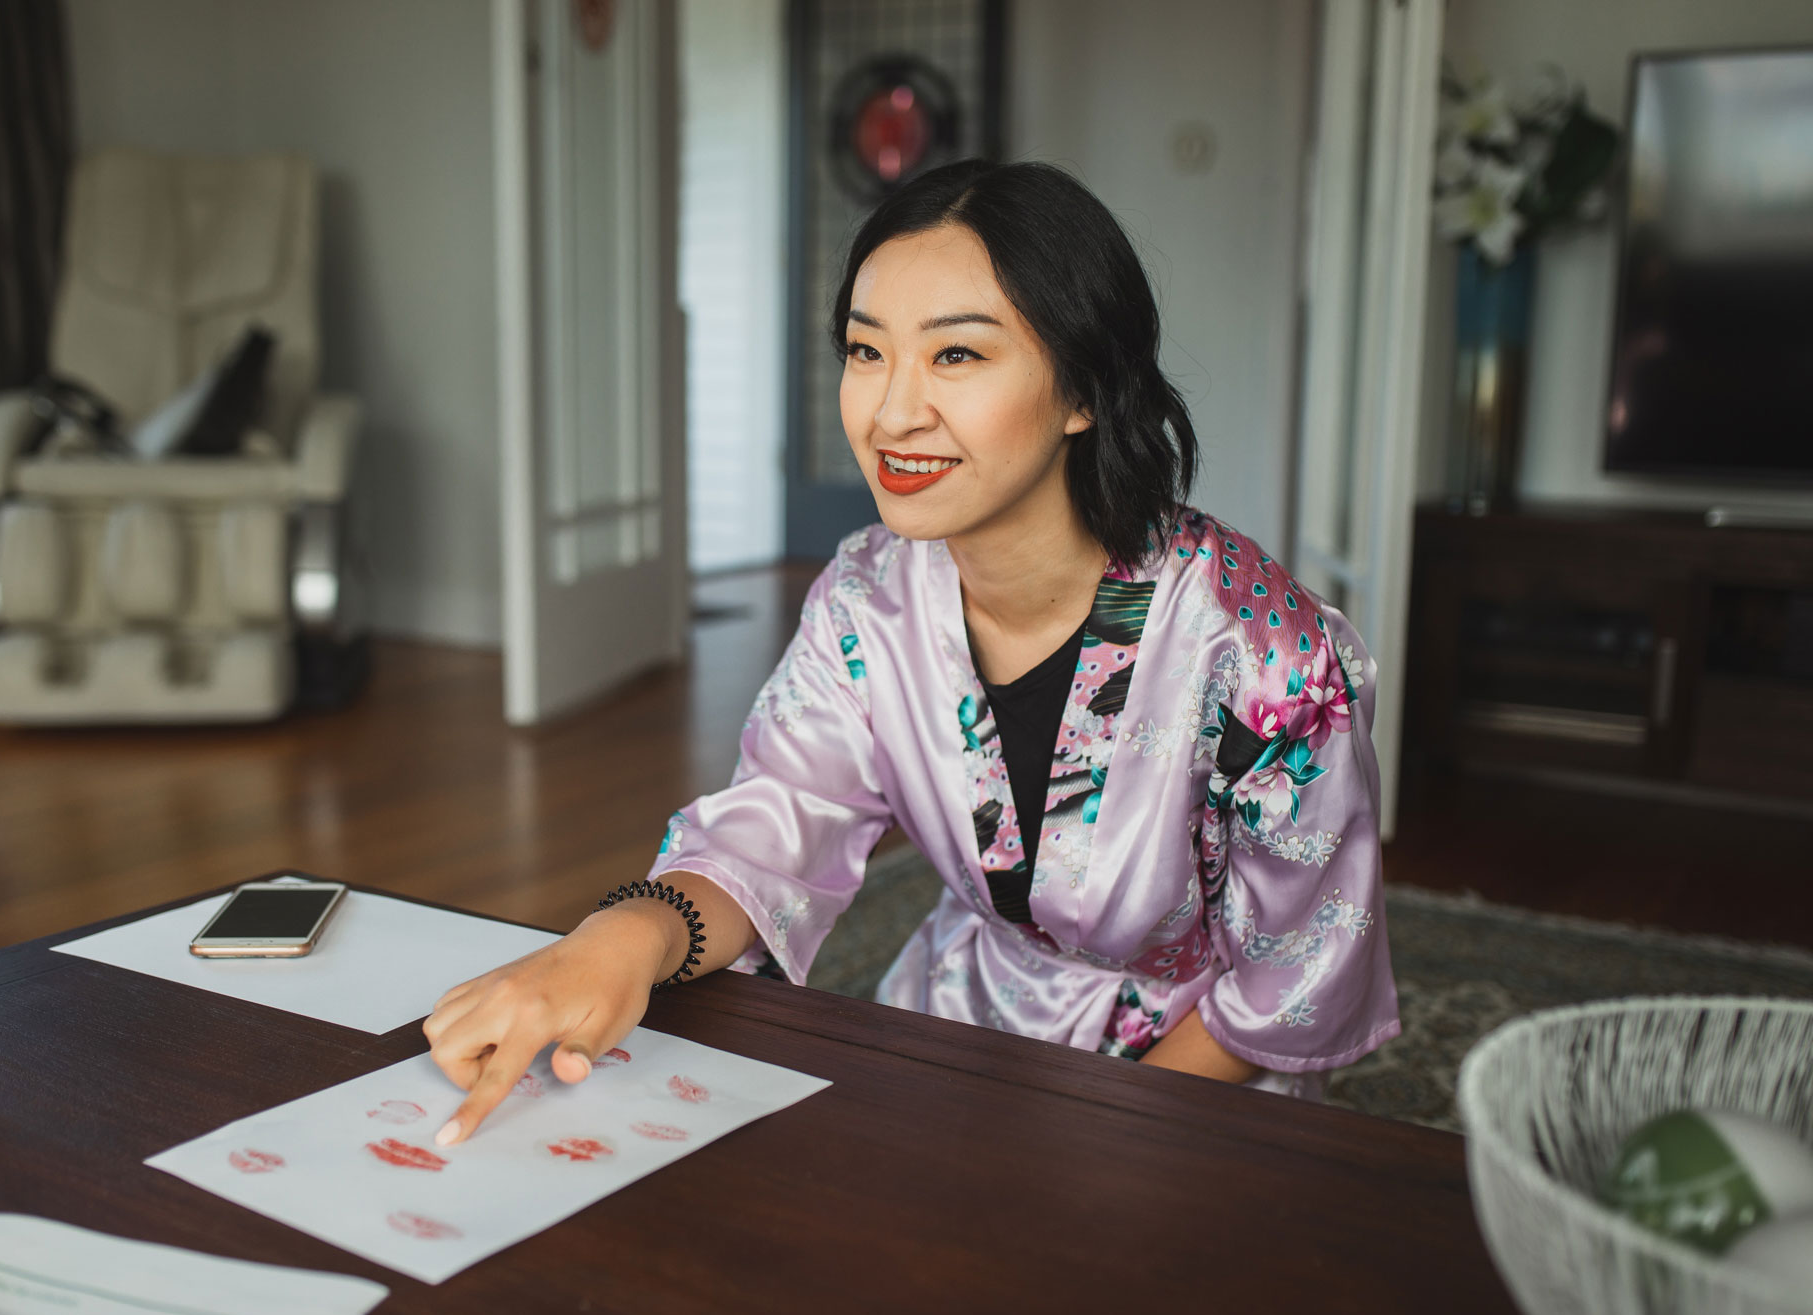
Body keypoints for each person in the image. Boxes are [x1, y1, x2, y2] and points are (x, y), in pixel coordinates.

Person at [424, 160, 1399, 1146]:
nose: (889, 414)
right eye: (863, 351)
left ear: (1082, 390)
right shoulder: (867, 597)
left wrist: (1091, 1133)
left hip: (1191, 1084)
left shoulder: (1262, 653)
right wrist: (614, 940)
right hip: (960, 1023)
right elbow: (770, 833)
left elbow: (1296, 970)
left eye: (956, 357)